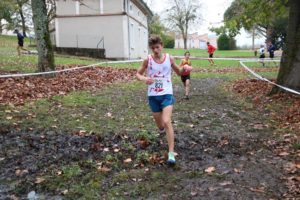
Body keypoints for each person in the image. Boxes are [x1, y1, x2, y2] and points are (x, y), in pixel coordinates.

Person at [136, 35, 192, 165]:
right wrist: (144, 79)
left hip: (167, 94)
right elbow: (138, 74)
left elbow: (178, 72)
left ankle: (171, 154)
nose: (156, 50)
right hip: (153, 96)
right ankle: (162, 129)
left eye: (158, 47)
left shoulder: (169, 58)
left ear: (162, 46)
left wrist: (184, 69)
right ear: (151, 48)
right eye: (153, 48)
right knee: (160, 125)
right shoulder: (147, 60)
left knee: (167, 121)